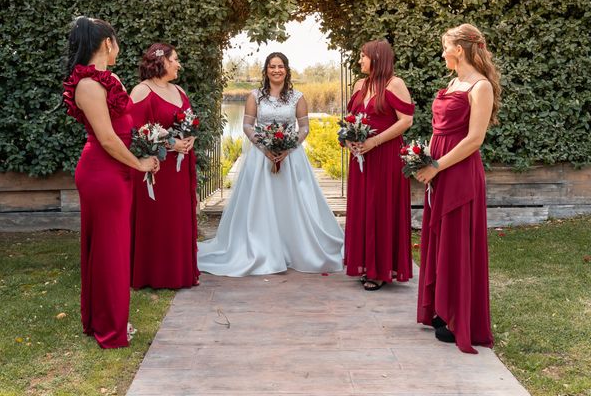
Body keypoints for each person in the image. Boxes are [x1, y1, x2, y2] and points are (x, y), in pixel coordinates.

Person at [197, 52, 344, 276]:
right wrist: (263, 146)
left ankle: (295, 248)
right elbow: (247, 125)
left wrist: (289, 146)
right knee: (260, 202)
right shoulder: (254, 96)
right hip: (260, 156)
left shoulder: (298, 97)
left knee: (293, 202)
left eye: (281, 66)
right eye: (272, 66)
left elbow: (304, 128)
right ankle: (261, 247)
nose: (276, 70)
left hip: (291, 157)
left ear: (287, 69)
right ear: (266, 70)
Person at [62, 16, 159, 348]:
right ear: (107, 43)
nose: (119, 47)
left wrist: (150, 140)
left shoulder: (110, 78)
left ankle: (102, 319)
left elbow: (124, 125)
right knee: (111, 252)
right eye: (116, 41)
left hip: (117, 169)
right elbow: (105, 138)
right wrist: (140, 164)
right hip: (102, 173)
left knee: (111, 249)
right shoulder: (87, 85)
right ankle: (110, 329)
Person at [415, 23, 501, 354]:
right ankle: (441, 308)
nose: (442, 53)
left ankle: (459, 316)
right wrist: (425, 158)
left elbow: (474, 140)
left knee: (456, 238)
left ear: (459, 50)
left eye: (445, 47)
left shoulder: (480, 87)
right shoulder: (454, 82)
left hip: (459, 170)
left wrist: (437, 164)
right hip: (438, 169)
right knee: (439, 237)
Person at [344, 39, 415, 291]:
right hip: (361, 158)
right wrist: (350, 139)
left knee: (381, 209)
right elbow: (351, 118)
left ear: (377, 57)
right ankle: (364, 264)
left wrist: (375, 141)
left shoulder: (395, 84)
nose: (360, 61)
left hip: (386, 158)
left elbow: (406, 121)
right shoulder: (359, 84)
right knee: (363, 208)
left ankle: (381, 270)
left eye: (363, 56)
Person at [130, 43, 200, 289]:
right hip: (157, 169)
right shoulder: (141, 91)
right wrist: (171, 145)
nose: (179, 64)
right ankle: (155, 274)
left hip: (180, 171)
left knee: (177, 220)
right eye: (175, 59)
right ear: (161, 62)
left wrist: (190, 138)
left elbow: (189, 123)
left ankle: (180, 272)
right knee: (158, 221)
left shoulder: (179, 90)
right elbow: (135, 133)